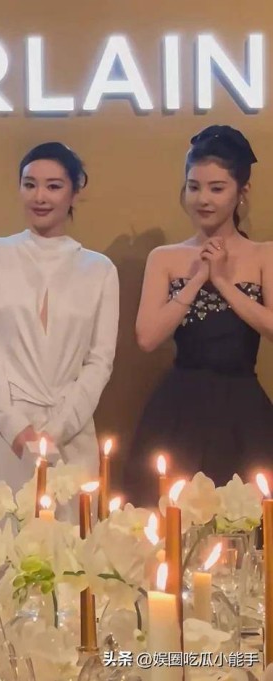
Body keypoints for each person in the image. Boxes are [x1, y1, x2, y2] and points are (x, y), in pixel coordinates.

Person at [0, 142, 119, 564]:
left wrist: (58, 429)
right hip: (3, 435)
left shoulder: (99, 270)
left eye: (53, 186)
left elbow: (100, 360)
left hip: (71, 433)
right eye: (30, 184)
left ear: (75, 190)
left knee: (70, 564)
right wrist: (17, 429)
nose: (40, 196)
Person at [126, 125, 273, 505]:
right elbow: (147, 338)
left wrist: (222, 281)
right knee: (168, 517)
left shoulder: (263, 255)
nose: (203, 199)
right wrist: (196, 280)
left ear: (241, 192)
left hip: (243, 407)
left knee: (245, 519)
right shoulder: (165, 258)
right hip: (179, 407)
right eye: (194, 187)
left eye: (216, 188)